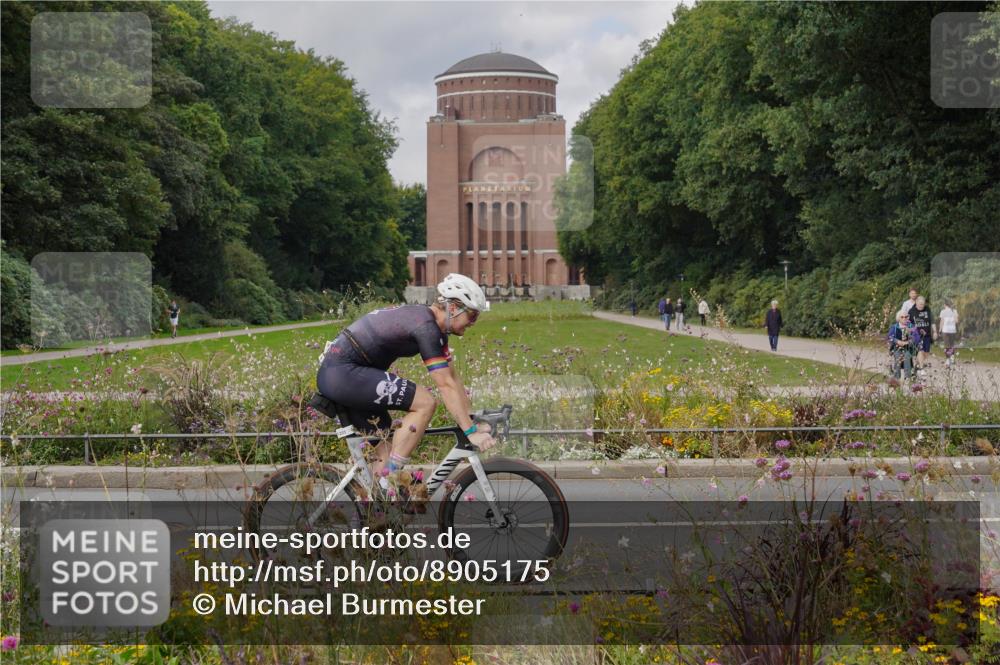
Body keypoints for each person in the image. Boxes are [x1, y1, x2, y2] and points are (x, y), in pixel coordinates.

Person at [316, 274, 496, 507]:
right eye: (472, 315)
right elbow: (444, 385)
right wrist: (470, 431)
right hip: (343, 373)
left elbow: (453, 378)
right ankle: (389, 480)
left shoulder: (434, 329)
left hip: (346, 375)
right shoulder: (426, 327)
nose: (473, 322)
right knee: (425, 402)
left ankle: (378, 516)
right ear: (453, 308)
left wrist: (471, 419)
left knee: (386, 455)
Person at [887, 310, 922, 381]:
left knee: (907, 356)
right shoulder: (894, 327)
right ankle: (896, 378)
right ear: (898, 318)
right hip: (897, 348)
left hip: (909, 348)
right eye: (902, 317)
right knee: (897, 356)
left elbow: (917, 338)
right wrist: (897, 341)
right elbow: (889, 337)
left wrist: (908, 342)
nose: (904, 318)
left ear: (908, 317)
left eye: (906, 317)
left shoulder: (911, 326)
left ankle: (907, 377)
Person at [907, 295, 935, 373]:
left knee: (926, 353)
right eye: (920, 304)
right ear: (916, 302)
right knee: (920, 350)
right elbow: (908, 323)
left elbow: (932, 320)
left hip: (927, 335)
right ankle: (921, 368)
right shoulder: (911, 311)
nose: (921, 306)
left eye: (923, 304)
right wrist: (911, 330)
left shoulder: (927, 309)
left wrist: (935, 331)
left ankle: (917, 364)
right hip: (917, 335)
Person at [938, 299, 959, 367]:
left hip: (945, 330)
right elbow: (956, 321)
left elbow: (942, 322)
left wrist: (940, 330)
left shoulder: (943, 311)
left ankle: (948, 360)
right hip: (952, 330)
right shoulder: (954, 311)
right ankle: (952, 358)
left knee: (947, 345)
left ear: (945, 305)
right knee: (952, 345)